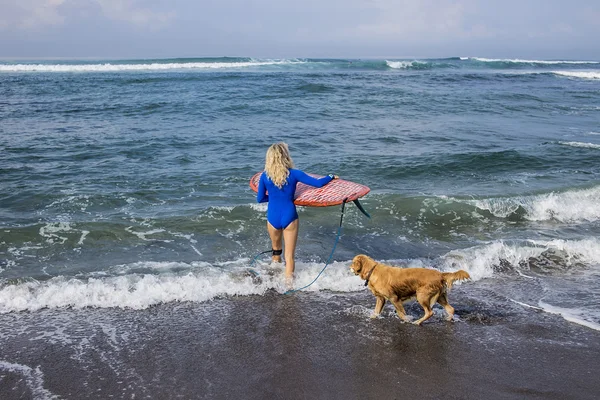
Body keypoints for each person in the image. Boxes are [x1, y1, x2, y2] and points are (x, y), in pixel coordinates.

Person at [257, 143, 338, 284]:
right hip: (289, 215)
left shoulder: (265, 176)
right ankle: (288, 287)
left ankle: (273, 283)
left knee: (276, 252)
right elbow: (318, 184)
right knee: (289, 257)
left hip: (272, 217)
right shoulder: (294, 174)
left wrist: (276, 197)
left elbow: (260, 199)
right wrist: (330, 176)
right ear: (285, 156)